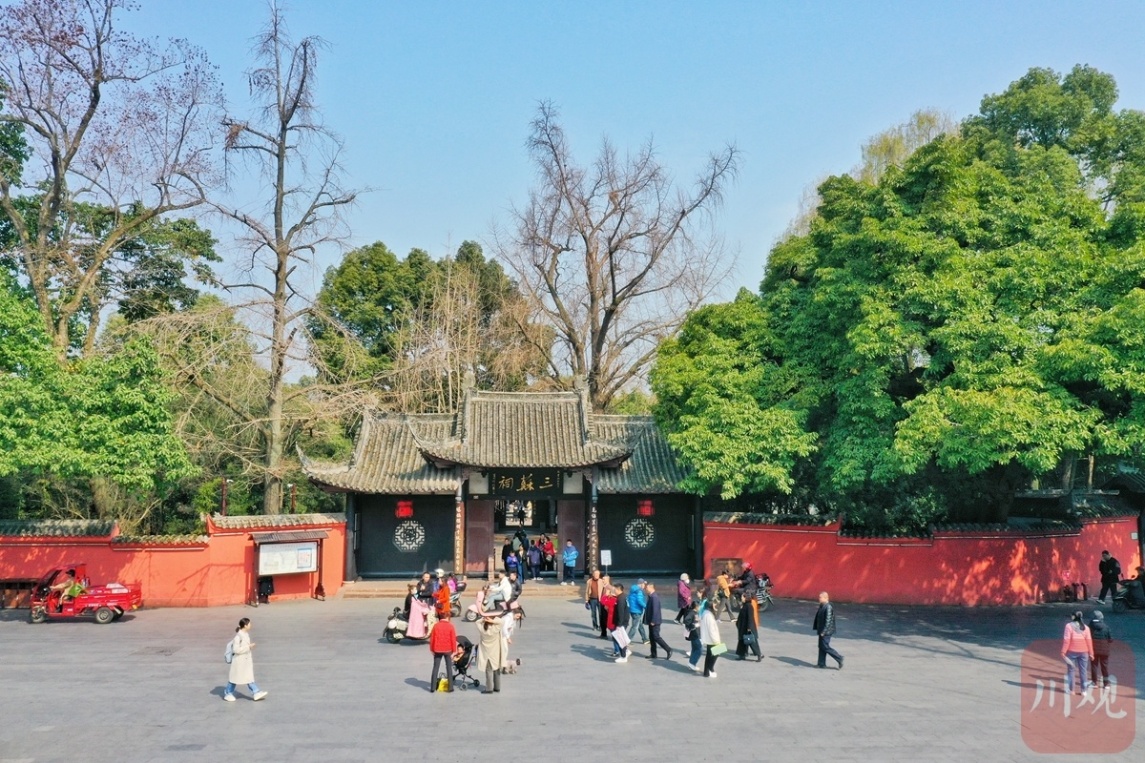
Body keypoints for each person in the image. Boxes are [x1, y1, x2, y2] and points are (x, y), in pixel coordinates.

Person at [223, 618, 267, 701]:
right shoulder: (238, 637)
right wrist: (248, 647)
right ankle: (228, 692)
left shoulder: (245, 634)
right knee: (234, 679)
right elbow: (236, 650)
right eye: (249, 624)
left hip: (245, 661)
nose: (251, 625)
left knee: (248, 677)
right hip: (239, 661)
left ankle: (256, 692)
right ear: (245, 625)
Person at [1061, 610, 1093, 697]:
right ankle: (1084, 691)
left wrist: (1063, 651)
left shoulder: (1068, 626)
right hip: (1084, 652)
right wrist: (1091, 653)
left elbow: (1067, 640)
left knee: (1071, 671)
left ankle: (1072, 690)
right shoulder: (1086, 628)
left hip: (1071, 652)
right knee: (1083, 671)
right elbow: (1089, 641)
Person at [813, 591, 843, 670]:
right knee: (821, 646)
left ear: (826, 598)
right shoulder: (822, 606)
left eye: (820, 597)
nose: (819, 599)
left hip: (826, 631)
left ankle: (839, 658)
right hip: (821, 630)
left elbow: (828, 620)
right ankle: (821, 663)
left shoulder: (828, 607)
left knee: (825, 646)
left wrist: (824, 631)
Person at [643, 582, 673, 660]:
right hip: (651, 620)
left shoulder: (654, 597)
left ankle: (668, 649)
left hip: (655, 621)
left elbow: (655, 610)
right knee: (651, 637)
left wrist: (653, 620)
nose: (646, 589)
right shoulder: (650, 596)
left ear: (651, 588)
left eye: (647, 588)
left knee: (656, 636)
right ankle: (653, 653)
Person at [429, 614, 458, 692]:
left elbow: (432, 638)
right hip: (448, 650)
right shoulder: (450, 626)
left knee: (435, 668)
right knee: (449, 667)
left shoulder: (436, 626)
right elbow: (453, 639)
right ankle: (450, 687)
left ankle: (432, 687)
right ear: (447, 617)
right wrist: (454, 651)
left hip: (437, 650)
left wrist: (431, 649)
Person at [476, 616, 505, 693]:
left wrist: (483, 618)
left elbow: (477, 622)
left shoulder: (482, 629)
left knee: (488, 670)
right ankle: (497, 687)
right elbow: (502, 621)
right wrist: (492, 621)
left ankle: (489, 688)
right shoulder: (495, 628)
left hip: (486, 653)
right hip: (495, 652)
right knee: (497, 669)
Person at [735, 589, 762, 662]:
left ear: (746, 598)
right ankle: (742, 655)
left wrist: (749, 628)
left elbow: (750, 618)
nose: (741, 598)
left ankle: (758, 655)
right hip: (743, 627)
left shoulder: (749, 606)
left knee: (752, 642)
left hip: (747, 627)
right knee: (742, 642)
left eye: (742, 597)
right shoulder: (744, 605)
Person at [1089, 610, 1113, 690]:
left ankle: (1094, 683)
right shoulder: (1106, 627)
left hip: (1094, 649)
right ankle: (1106, 684)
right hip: (1104, 651)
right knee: (1104, 667)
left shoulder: (1090, 626)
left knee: (1094, 666)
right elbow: (1110, 639)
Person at [699, 598, 722, 678]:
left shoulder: (706, 613)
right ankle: (710, 669)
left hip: (708, 638)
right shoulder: (708, 615)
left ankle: (706, 671)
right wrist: (716, 641)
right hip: (712, 639)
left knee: (709, 655)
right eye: (714, 604)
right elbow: (711, 630)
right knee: (717, 652)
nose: (715, 605)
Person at [611, 583, 631, 662]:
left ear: (618, 589)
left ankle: (623, 656)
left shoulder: (620, 599)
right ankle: (625, 651)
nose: (613, 590)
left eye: (614, 589)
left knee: (619, 639)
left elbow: (620, 612)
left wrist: (619, 624)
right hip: (624, 621)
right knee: (618, 638)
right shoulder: (624, 596)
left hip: (621, 622)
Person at [682, 599, 703, 672]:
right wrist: (693, 625)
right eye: (699, 606)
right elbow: (686, 620)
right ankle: (692, 663)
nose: (700, 607)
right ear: (696, 606)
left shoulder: (696, 613)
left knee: (694, 649)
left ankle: (691, 663)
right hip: (694, 634)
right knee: (699, 649)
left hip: (696, 634)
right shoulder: (691, 613)